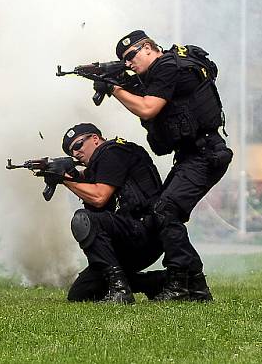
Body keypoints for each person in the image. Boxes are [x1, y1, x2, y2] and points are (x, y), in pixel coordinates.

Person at [95, 29, 233, 301]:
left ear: (148, 47)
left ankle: (182, 284)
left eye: (131, 55)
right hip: (192, 155)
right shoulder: (158, 74)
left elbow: (147, 108)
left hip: (206, 153)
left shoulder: (167, 66)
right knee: (160, 210)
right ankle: (194, 286)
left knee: (165, 210)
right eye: (124, 60)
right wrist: (114, 81)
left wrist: (113, 88)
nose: (129, 63)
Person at [52, 123, 165, 304]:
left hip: (144, 231)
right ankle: (156, 282)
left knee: (83, 219)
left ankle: (120, 290)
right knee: (81, 293)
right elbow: (91, 187)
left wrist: (64, 180)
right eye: (71, 152)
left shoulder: (113, 152)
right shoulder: (100, 165)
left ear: (95, 139)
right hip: (128, 236)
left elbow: (99, 197)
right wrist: (60, 173)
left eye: (78, 145)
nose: (75, 153)